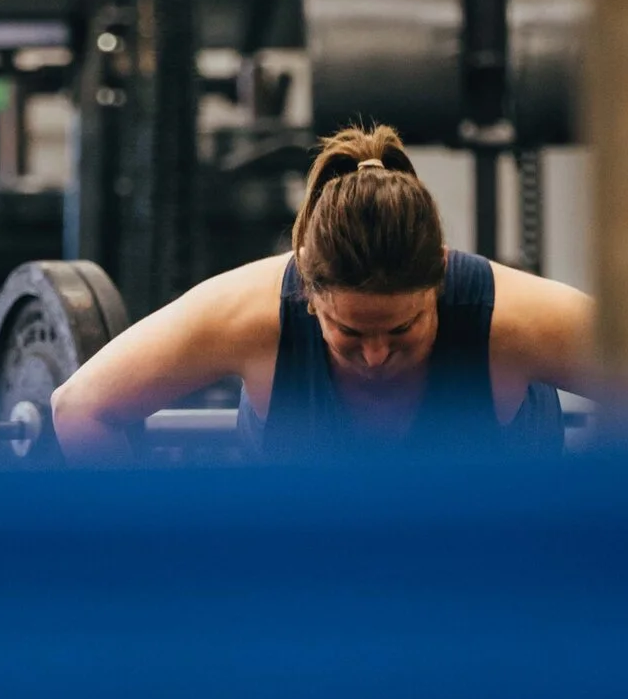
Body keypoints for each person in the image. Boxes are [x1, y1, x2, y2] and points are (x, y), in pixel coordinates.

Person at [52, 124, 596, 460]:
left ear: (439, 280)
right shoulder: (247, 315)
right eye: (350, 332)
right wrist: (161, 561)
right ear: (309, 297)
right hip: (314, 594)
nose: (377, 354)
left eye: (403, 328)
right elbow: (80, 409)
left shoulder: (516, 320)